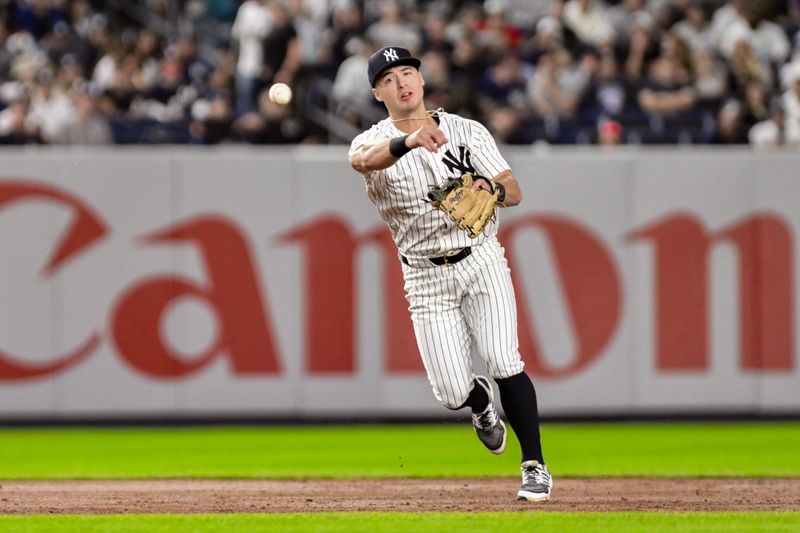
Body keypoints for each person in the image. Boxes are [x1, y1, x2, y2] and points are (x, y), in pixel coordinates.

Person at [348, 46, 552, 502]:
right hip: (424, 276)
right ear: (378, 92)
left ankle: (534, 465)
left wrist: (491, 189)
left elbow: (514, 188)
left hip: (480, 258)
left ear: (421, 80)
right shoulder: (371, 140)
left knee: (504, 359)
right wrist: (410, 141)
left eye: (408, 72)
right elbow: (364, 161)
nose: (401, 82)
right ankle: (479, 403)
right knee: (450, 391)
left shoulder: (465, 130)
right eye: (389, 78)